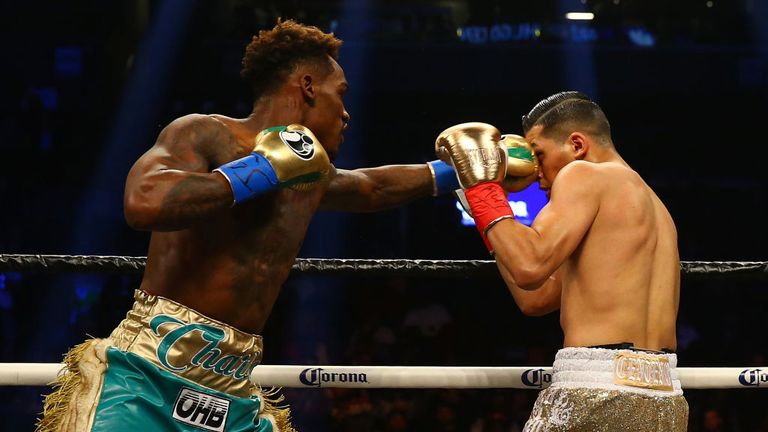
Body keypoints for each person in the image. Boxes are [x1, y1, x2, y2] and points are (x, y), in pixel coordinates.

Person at [37, 19, 460, 432]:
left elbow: (372, 187)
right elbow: (143, 202)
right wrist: (261, 170)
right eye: (340, 95)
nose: (347, 113)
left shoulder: (310, 173)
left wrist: (459, 171)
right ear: (308, 87)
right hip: (146, 375)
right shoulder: (206, 133)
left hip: (232, 387)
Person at [436, 91, 688, 431]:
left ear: (577, 145)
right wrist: (484, 217)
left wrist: (483, 189)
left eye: (538, 153)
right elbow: (535, 297)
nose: (534, 169)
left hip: (595, 389)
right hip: (665, 399)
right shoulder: (655, 208)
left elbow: (528, 266)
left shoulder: (584, 174)